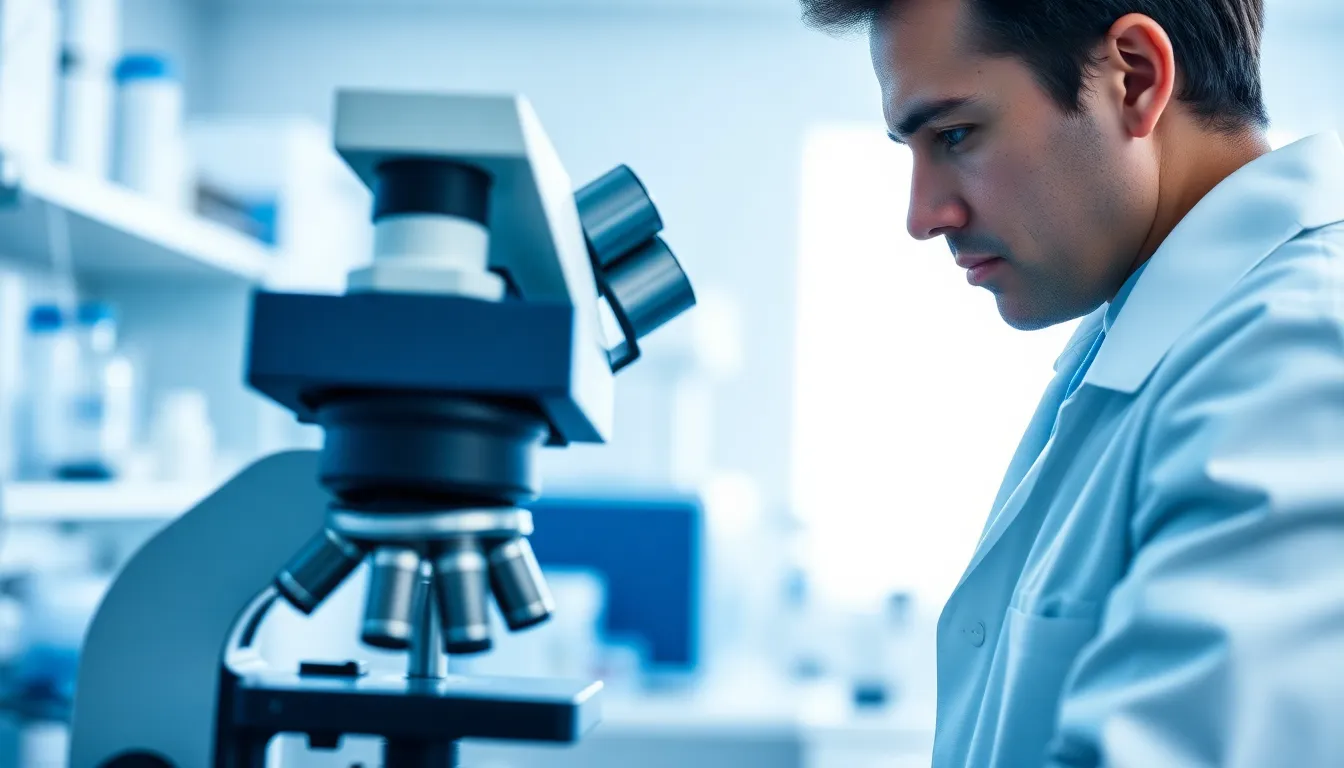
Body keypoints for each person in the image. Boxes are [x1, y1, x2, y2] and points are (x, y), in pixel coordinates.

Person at [800, 1, 1344, 766]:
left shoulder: (1298, 351)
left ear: (1134, 78)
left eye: (955, 135)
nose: (923, 215)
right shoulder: (1150, 336)